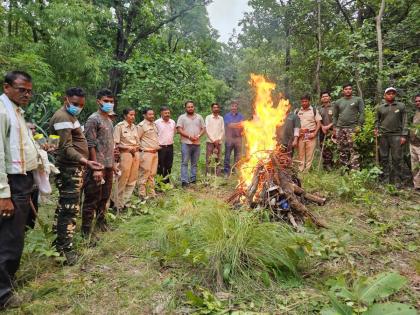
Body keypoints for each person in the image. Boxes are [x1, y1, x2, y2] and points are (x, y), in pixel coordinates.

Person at [49, 87, 103, 265]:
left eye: (80, 104)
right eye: (74, 104)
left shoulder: (71, 116)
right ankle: (65, 252)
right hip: (69, 169)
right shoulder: (63, 117)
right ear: (66, 100)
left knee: (65, 207)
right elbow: (65, 148)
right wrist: (85, 161)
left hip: (74, 168)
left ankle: (58, 245)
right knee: (69, 209)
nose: (78, 107)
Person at [0, 71, 39, 309]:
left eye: (29, 91)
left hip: (23, 181)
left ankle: (8, 281)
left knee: (16, 234)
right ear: (7, 87)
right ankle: (3, 295)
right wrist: (3, 194)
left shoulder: (16, 112)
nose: (26, 94)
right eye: (21, 89)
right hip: (12, 184)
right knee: (9, 238)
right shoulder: (3, 112)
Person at [81, 89, 115, 237]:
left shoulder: (109, 119)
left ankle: (101, 222)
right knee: (92, 199)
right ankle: (86, 232)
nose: (109, 104)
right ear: (98, 101)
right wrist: (95, 168)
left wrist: (113, 164)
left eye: (111, 102)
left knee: (104, 197)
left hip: (108, 166)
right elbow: (90, 144)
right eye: (106, 101)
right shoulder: (93, 119)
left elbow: (109, 144)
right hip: (97, 167)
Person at [374, 87, 408, 187]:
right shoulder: (380, 107)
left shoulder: (401, 106)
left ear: (395, 95)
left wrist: (404, 135)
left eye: (393, 93)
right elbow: (377, 121)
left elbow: (405, 121)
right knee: (384, 158)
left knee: (397, 158)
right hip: (383, 136)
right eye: (389, 93)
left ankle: (397, 181)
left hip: (397, 135)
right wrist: (376, 129)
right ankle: (385, 179)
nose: (391, 95)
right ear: (385, 95)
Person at [112, 108, 139, 211]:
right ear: (125, 116)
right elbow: (116, 144)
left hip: (135, 153)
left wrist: (135, 149)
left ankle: (125, 202)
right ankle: (117, 203)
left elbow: (137, 142)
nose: (133, 117)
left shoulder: (135, 127)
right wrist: (128, 148)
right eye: (130, 115)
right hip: (125, 154)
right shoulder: (119, 127)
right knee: (123, 178)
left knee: (132, 179)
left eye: (134, 115)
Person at [333, 83, 365, 171]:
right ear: (343, 91)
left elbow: (362, 113)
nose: (348, 90)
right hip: (340, 128)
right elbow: (335, 116)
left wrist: (359, 125)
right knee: (342, 150)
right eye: (346, 89)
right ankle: (345, 170)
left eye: (350, 89)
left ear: (352, 90)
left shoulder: (358, 100)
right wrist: (335, 127)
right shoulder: (338, 102)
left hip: (352, 128)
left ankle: (355, 170)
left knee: (354, 149)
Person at [177, 101, 205, 187]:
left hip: (197, 143)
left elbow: (203, 128)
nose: (190, 108)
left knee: (194, 163)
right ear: (185, 108)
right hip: (186, 143)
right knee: (184, 162)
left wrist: (198, 136)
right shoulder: (182, 117)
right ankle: (184, 181)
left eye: (192, 107)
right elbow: (179, 129)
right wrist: (189, 137)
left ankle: (193, 179)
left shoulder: (199, 117)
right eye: (188, 107)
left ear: (194, 107)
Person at [137, 108, 160, 199]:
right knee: (144, 174)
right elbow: (137, 139)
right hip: (146, 153)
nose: (152, 116)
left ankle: (151, 194)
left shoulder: (154, 125)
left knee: (152, 174)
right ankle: (142, 195)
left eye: (153, 114)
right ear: (144, 115)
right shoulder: (141, 126)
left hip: (155, 153)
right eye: (150, 114)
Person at [296, 95, 322, 172]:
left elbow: (319, 123)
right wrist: (298, 133)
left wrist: (314, 133)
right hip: (301, 136)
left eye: (306, 101)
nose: (304, 103)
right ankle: (300, 169)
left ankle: (306, 171)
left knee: (309, 154)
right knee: (301, 153)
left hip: (310, 135)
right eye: (302, 101)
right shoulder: (298, 111)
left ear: (309, 101)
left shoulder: (314, 110)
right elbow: (295, 124)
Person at [155, 106, 176, 183]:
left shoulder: (172, 122)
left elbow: (174, 132)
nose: (167, 114)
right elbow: (154, 134)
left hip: (170, 147)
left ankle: (167, 182)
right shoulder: (157, 123)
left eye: (168, 113)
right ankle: (159, 183)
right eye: (165, 113)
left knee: (169, 165)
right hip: (160, 147)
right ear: (161, 113)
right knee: (160, 166)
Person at [223, 101, 244, 175]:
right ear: (230, 107)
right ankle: (226, 172)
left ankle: (235, 171)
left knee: (237, 156)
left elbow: (242, 125)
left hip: (238, 138)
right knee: (227, 156)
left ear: (237, 107)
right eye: (232, 106)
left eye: (235, 106)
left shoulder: (241, 116)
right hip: (229, 138)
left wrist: (235, 124)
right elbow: (229, 125)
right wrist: (238, 124)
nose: (234, 108)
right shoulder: (227, 116)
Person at [205, 103, 224, 176]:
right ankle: (208, 175)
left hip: (219, 142)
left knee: (218, 159)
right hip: (210, 142)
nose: (216, 109)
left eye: (217, 107)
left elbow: (222, 130)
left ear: (218, 109)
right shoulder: (208, 117)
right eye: (214, 107)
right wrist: (213, 140)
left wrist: (218, 139)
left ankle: (218, 175)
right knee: (209, 159)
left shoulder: (221, 118)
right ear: (212, 109)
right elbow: (207, 129)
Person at [319, 91, 334, 170]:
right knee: (323, 147)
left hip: (332, 131)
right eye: (323, 96)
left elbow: (337, 118)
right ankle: (325, 165)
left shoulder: (333, 107)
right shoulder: (319, 109)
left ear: (329, 97)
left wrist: (328, 126)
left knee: (330, 148)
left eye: (326, 96)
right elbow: (318, 120)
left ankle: (330, 164)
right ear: (321, 99)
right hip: (322, 131)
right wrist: (322, 127)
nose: (325, 98)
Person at [409, 94, 420, 191]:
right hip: (413, 143)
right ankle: (417, 186)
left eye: (419, 101)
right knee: (415, 165)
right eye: (416, 101)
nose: (417, 103)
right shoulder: (416, 112)